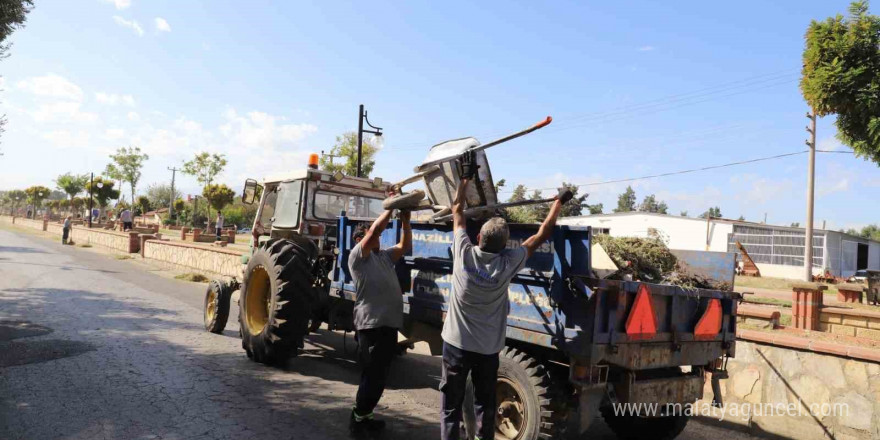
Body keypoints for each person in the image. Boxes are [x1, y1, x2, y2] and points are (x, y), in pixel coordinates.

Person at [440, 150, 572, 440]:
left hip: (456, 347)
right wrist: (558, 203)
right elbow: (542, 234)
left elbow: (457, 210)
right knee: (485, 404)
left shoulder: (463, 255)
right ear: (504, 247)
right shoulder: (507, 264)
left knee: (450, 406)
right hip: (487, 351)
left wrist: (464, 178)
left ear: (477, 238)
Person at [347, 206, 412, 437]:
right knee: (373, 374)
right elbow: (375, 231)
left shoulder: (384, 257)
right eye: (368, 235)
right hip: (371, 325)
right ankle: (358, 417)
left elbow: (405, 246)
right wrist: (392, 206)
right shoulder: (357, 257)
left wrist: (405, 220)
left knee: (380, 375)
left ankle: (366, 415)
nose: (377, 239)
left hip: (388, 325)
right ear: (358, 239)